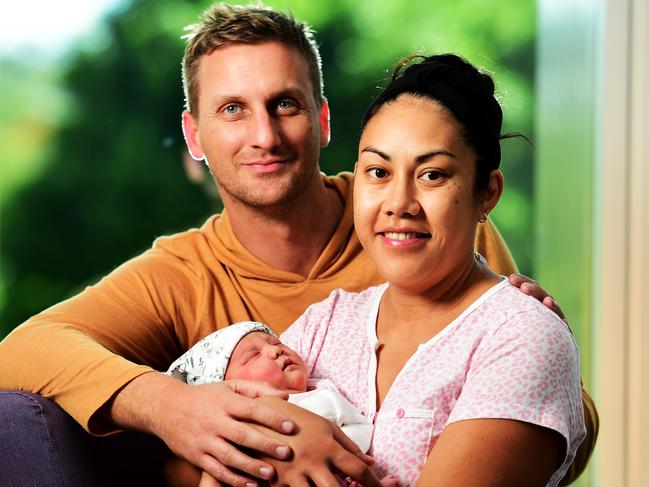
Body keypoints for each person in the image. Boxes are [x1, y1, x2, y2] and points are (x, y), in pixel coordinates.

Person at [0, 3, 597, 487]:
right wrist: (181, 411)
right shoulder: (192, 279)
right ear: (194, 135)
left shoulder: (420, 230)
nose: (264, 135)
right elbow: (21, 351)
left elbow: (547, 409)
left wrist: (545, 357)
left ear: (322, 118)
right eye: (233, 109)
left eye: (284, 104)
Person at [227, 52, 585, 487]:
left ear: (487, 193)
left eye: (432, 175)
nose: (399, 203)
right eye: (378, 171)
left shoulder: (520, 335)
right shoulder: (325, 324)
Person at [165, 321, 399, 487]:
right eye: (253, 356)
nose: (275, 350)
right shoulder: (228, 431)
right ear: (228, 389)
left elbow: (359, 431)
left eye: (276, 343)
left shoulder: (320, 395)